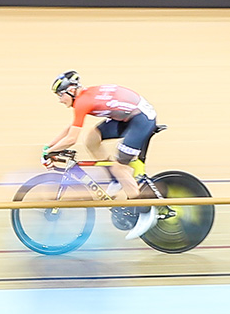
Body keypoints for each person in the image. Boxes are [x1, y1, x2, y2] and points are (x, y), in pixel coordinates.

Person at [42, 70, 172, 239]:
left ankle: (146, 213)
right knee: (91, 138)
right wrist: (49, 147)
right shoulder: (83, 99)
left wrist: (50, 153)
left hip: (141, 120)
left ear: (71, 91)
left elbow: (72, 139)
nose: (59, 100)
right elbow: (72, 128)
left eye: (60, 95)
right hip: (128, 117)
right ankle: (116, 178)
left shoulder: (83, 101)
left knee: (120, 168)